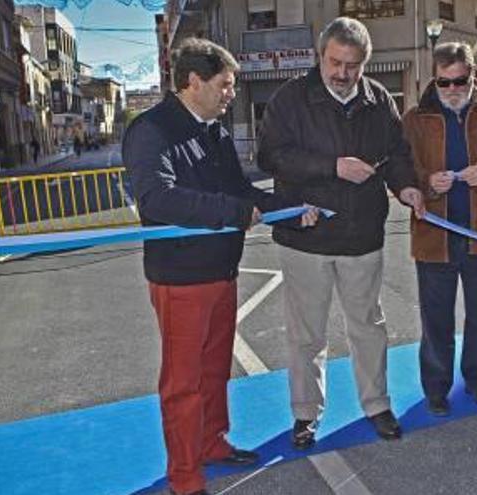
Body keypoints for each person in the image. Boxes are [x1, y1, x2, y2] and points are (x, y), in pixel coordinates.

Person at [123, 38, 317, 495]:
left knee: (213, 373)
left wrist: (289, 208)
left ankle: (212, 443)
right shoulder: (151, 130)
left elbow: (242, 192)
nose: (232, 93)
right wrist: (232, 213)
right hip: (181, 280)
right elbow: (156, 198)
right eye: (225, 85)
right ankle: (186, 479)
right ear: (194, 82)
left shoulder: (215, 131)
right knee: (182, 384)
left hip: (221, 272)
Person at [257, 17, 425, 449]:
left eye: (353, 65)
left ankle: (377, 404)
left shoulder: (379, 99)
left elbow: (397, 154)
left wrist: (406, 186)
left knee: (369, 327)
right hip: (304, 239)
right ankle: (305, 415)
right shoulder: (289, 99)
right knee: (306, 335)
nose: (343, 74)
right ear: (320, 55)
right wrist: (332, 167)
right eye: (335, 62)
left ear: (365, 63)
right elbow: (270, 156)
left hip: (362, 237)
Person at [402, 42, 477, 416]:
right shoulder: (413, 120)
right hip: (433, 238)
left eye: (461, 81)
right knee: (436, 319)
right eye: (445, 83)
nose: (453, 90)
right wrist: (425, 183)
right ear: (433, 80)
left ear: (474, 75)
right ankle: (436, 390)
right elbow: (401, 172)